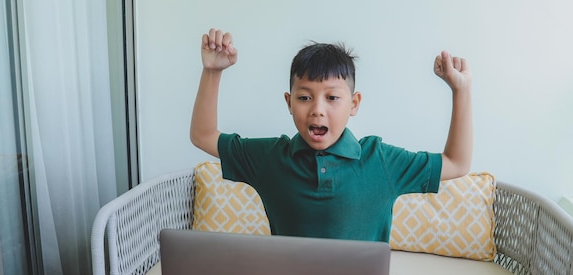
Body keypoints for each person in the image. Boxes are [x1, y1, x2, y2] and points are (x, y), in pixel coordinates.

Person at [190, 28, 473, 242]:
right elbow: (202, 135)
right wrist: (211, 71)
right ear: (288, 102)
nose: (317, 110)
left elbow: (457, 163)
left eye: (332, 98)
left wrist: (460, 90)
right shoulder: (270, 158)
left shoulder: (381, 161)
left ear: (354, 104)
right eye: (304, 97)